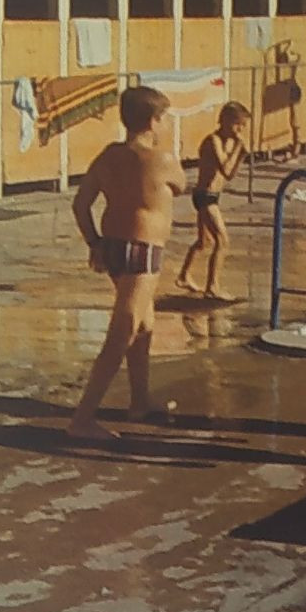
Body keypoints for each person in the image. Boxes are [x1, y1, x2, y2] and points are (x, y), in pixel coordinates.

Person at [66, 86, 188, 441]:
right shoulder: (161, 159)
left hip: (115, 247)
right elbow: (180, 185)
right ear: (153, 121)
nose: (165, 125)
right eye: (163, 118)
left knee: (145, 325)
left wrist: (94, 243)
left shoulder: (108, 157)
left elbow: (80, 204)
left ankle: (140, 400)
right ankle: (83, 419)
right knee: (124, 330)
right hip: (142, 250)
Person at [175, 101, 251, 301]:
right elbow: (224, 168)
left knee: (204, 241)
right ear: (224, 120)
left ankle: (183, 276)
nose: (240, 130)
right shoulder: (213, 140)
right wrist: (238, 149)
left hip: (213, 195)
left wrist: (241, 154)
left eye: (243, 126)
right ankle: (213, 286)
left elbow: (229, 175)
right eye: (237, 125)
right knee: (223, 241)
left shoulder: (230, 143)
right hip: (205, 197)